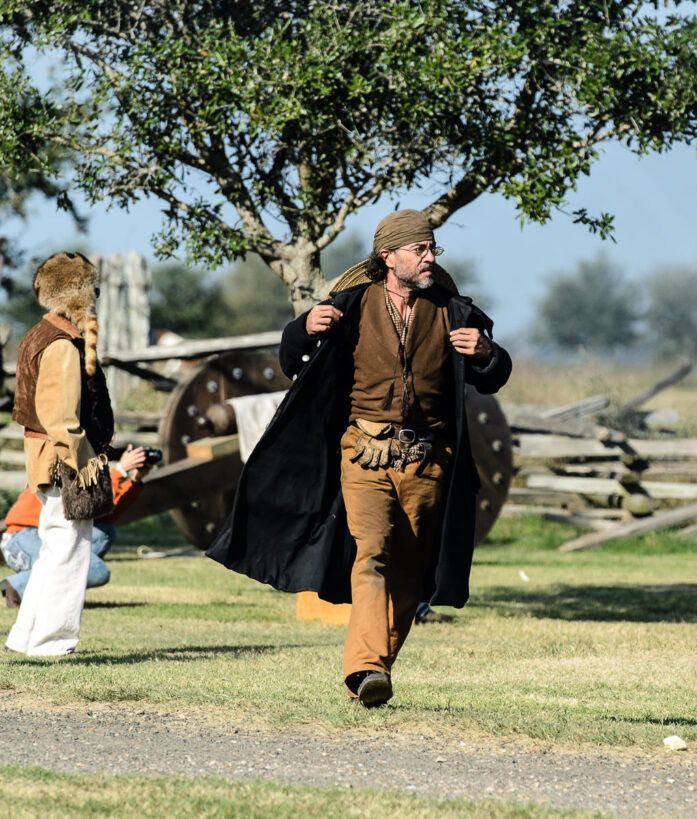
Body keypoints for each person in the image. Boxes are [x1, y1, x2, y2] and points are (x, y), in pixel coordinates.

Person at [207, 209, 512, 707]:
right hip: (363, 455)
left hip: (429, 462)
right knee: (372, 554)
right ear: (388, 257)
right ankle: (366, 667)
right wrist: (304, 327)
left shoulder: (456, 312)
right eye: (420, 250)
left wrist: (485, 352)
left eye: (434, 249)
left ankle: (373, 674)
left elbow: (494, 375)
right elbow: (292, 359)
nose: (430, 257)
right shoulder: (350, 305)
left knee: (412, 575)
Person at [4, 252, 114, 656]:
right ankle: (52, 642)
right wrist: (83, 466)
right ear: (78, 293)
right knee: (69, 552)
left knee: (54, 551)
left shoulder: (38, 332)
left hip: (43, 457)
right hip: (62, 461)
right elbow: (61, 417)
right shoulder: (62, 345)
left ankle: (25, 636)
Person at [1, 446, 151, 609]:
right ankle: (17, 585)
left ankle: (52, 588)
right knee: (97, 571)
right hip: (22, 537)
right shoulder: (68, 455)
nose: (111, 440)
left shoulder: (91, 460)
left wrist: (136, 480)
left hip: (48, 535)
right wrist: (120, 470)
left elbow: (106, 511)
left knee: (105, 532)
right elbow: (86, 497)